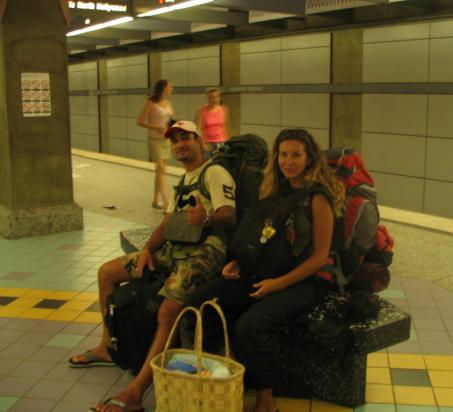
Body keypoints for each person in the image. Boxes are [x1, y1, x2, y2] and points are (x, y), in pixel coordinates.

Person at [68, 121, 237, 412]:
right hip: (175, 249)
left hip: (204, 253)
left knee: (168, 311)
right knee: (107, 272)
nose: (180, 144)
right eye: (175, 140)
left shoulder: (214, 172)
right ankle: (108, 346)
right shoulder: (182, 180)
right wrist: (146, 250)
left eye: (186, 138)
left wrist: (206, 218)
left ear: (199, 141)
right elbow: (166, 224)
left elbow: (229, 215)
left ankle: (135, 394)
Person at [184, 128, 345, 412]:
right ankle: (219, 372)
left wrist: (278, 284)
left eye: (296, 155)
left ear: (309, 158)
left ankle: (266, 400)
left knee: (251, 325)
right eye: (283, 155)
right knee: (200, 302)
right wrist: (240, 262)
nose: (288, 161)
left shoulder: (318, 198)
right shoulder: (276, 190)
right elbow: (263, 236)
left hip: (305, 282)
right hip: (267, 272)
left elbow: (320, 257)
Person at [137, 79, 174, 210]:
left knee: (160, 171)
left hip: (166, 139)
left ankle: (155, 200)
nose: (171, 88)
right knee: (162, 169)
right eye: (170, 86)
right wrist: (156, 127)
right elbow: (140, 121)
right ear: (163, 88)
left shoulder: (168, 103)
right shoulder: (151, 103)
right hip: (154, 139)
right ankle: (167, 202)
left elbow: (168, 120)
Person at [194, 87, 229, 152]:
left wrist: (227, 141)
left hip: (222, 141)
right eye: (211, 98)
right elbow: (198, 129)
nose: (214, 100)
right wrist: (203, 143)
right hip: (208, 143)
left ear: (219, 98)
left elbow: (224, 127)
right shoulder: (201, 110)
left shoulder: (223, 109)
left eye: (216, 97)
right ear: (208, 98)